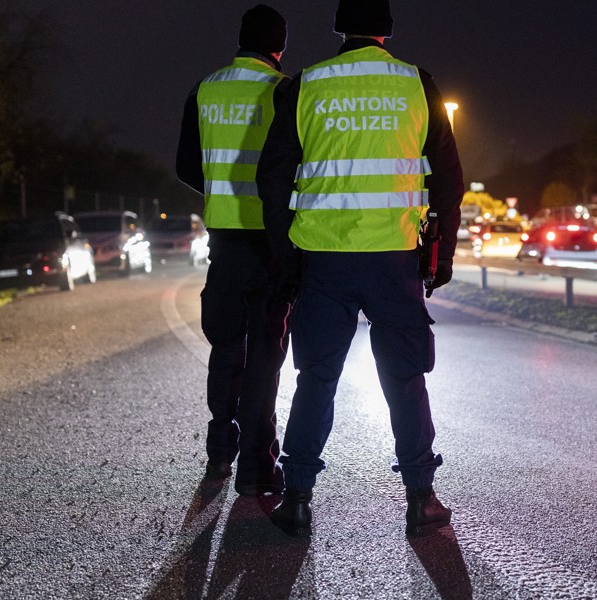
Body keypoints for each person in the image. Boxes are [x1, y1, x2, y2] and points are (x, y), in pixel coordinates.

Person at [256, 0, 465, 536]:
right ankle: (422, 497)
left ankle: (297, 498)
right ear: (387, 31)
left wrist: (286, 255)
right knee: (404, 377)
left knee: (317, 378)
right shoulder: (418, 83)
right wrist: (442, 255)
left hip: (322, 259)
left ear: (340, 28)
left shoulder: (305, 83)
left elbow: (273, 178)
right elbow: (448, 177)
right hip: (395, 258)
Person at [175, 4, 292, 496]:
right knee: (266, 353)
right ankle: (258, 467)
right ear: (278, 47)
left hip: (223, 239)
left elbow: (185, 166)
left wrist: (222, 190)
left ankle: (219, 452)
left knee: (226, 346)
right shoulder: (284, 91)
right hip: (268, 242)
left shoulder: (204, 89)